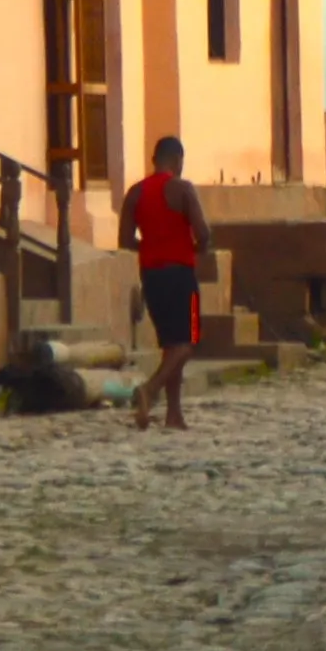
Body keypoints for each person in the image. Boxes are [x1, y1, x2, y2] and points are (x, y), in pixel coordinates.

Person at [124, 134, 208, 430]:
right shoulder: (183, 190)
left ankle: (174, 414)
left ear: (154, 161)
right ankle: (150, 389)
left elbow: (125, 239)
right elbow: (204, 233)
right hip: (182, 276)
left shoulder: (135, 193)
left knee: (171, 344)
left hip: (151, 277)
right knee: (191, 339)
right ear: (178, 160)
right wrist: (196, 249)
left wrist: (150, 248)